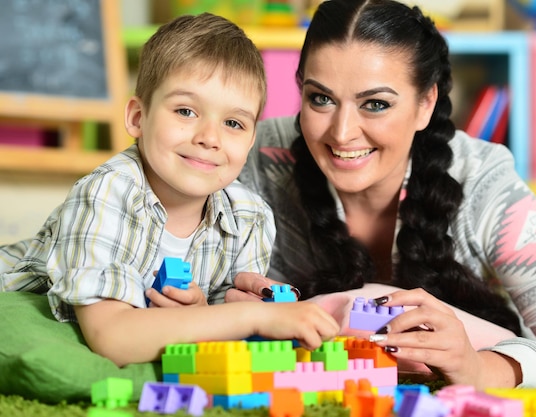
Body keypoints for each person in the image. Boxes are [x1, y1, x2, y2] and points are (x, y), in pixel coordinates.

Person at [231, 0, 536, 389]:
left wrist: (484, 369)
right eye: (321, 99)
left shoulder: (480, 180)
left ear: (425, 104)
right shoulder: (254, 153)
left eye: (376, 104)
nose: (341, 132)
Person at [0, 13, 339, 367]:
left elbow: (218, 324)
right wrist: (255, 318)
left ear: (252, 139)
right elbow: (112, 336)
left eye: (233, 123)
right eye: (186, 110)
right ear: (137, 118)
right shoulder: (109, 192)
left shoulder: (249, 217)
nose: (209, 138)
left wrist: (202, 311)